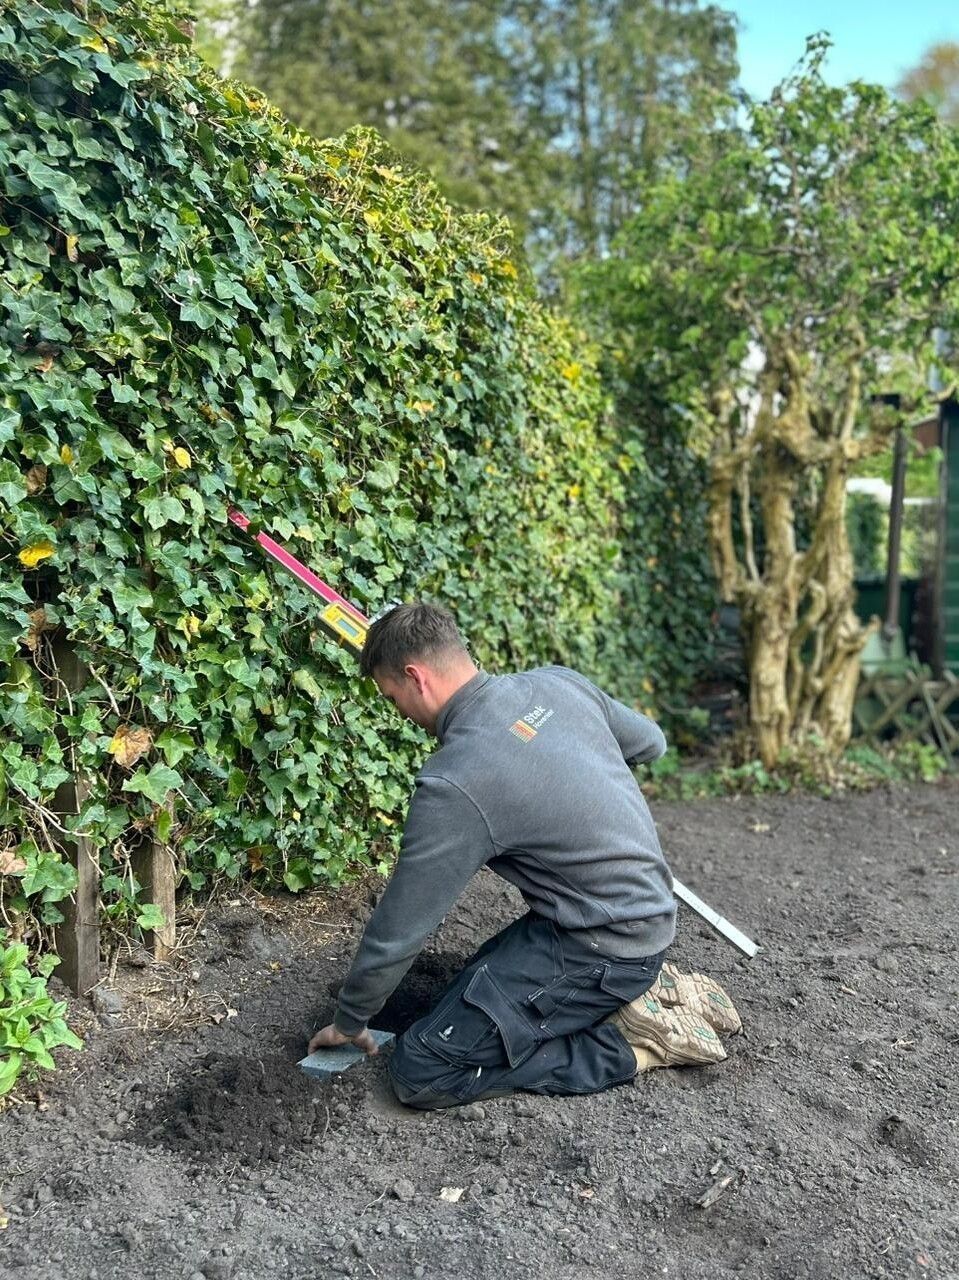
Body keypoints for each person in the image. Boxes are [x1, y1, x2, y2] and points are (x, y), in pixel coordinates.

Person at [307, 602, 737, 1109]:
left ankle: (630, 1045)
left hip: (606, 945)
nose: (397, 711)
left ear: (416, 677)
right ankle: (633, 996)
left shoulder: (457, 781)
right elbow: (651, 743)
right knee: (462, 997)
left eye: (391, 696)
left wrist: (351, 1021)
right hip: (628, 916)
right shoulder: (559, 684)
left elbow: (399, 931)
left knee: (422, 1068)